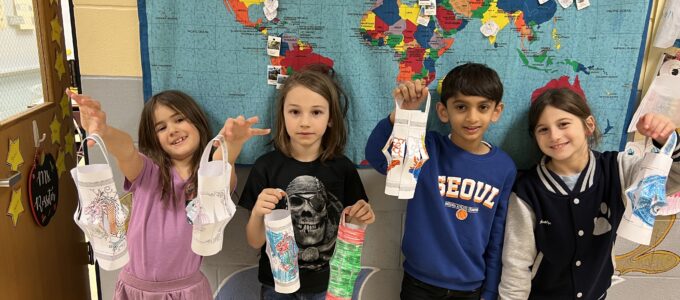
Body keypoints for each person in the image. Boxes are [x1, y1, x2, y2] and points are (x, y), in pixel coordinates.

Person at [67, 89, 269, 299]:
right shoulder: (147, 171)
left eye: (179, 119)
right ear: (153, 139)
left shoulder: (209, 179)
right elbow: (125, 149)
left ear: (198, 122)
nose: (172, 130)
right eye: (161, 127)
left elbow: (221, 164)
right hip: (135, 289)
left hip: (186, 292)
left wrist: (232, 144)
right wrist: (104, 131)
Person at [499, 85, 680, 299]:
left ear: (589, 125)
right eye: (543, 129)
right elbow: (516, 265)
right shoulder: (527, 192)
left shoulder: (618, 168)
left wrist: (668, 140)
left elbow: (671, 179)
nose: (555, 135)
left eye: (563, 124)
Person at [365, 63, 517, 300]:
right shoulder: (426, 148)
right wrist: (400, 116)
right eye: (461, 107)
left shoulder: (504, 168)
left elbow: (498, 235)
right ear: (443, 111)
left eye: (483, 107)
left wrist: (489, 292)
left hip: (470, 288)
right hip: (419, 283)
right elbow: (376, 156)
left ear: (496, 111)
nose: (472, 117)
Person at [240, 65, 376, 299]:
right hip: (277, 285)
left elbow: (352, 225)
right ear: (283, 114)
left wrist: (361, 217)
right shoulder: (266, 167)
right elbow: (254, 242)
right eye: (295, 112)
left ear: (331, 118)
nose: (305, 122)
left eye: (316, 112)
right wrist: (257, 215)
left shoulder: (342, 168)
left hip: (327, 284)